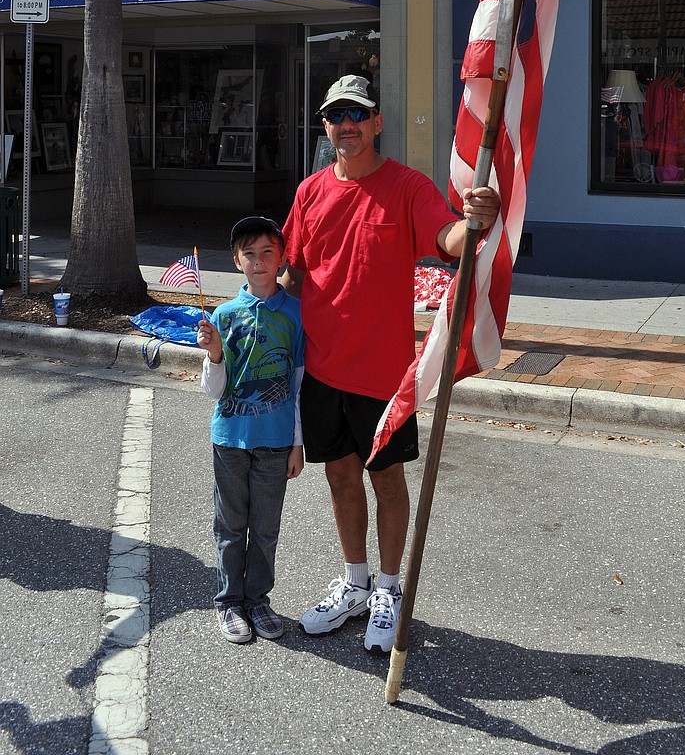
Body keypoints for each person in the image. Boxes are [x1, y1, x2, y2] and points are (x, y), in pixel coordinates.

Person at [282, 74, 499, 654]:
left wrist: (475, 220)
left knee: (386, 481)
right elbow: (292, 271)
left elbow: (448, 236)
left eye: (356, 114)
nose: (344, 125)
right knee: (338, 475)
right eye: (334, 116)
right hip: (322, 370)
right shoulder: (309, 192)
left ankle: (389, 588)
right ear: (325, 127)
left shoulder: (406, 186)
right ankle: (354, 582)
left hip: (384, 378)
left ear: (377, 122)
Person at [196, 215, 305, 644]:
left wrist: (297, 442)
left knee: (265, 526)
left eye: (267, 252)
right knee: (229, 523)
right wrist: (216, 353)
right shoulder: (223, 314)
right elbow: (213, 390)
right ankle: (229, 602)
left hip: (277, 442)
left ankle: (258, 598)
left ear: (281, 258)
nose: (259, 261)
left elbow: (297, 383)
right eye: (250, 254)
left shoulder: (296, 314)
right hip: (230, 439)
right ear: (237, 261)